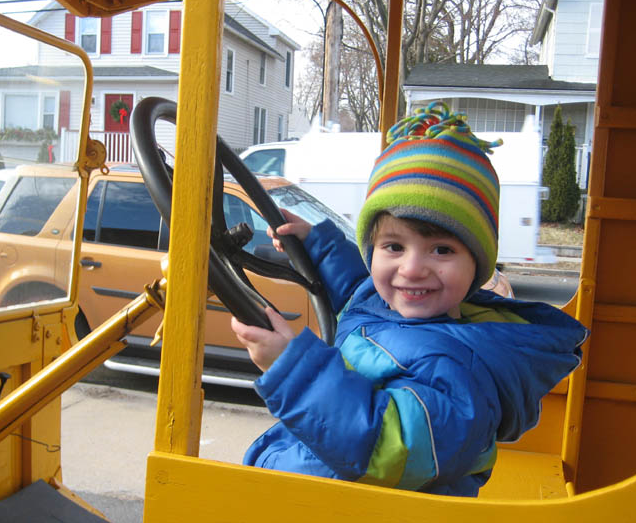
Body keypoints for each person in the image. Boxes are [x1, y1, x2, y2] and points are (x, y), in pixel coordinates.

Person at [231, 101, 589, 497]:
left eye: (441, 250)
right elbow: (356, 287)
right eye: (394, 246)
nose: (412, 269)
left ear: (477, 264)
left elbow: (389, 449)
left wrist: (292, 369)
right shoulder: (383, 305)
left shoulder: (462, 371)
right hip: (310, 493)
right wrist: (318, 244)